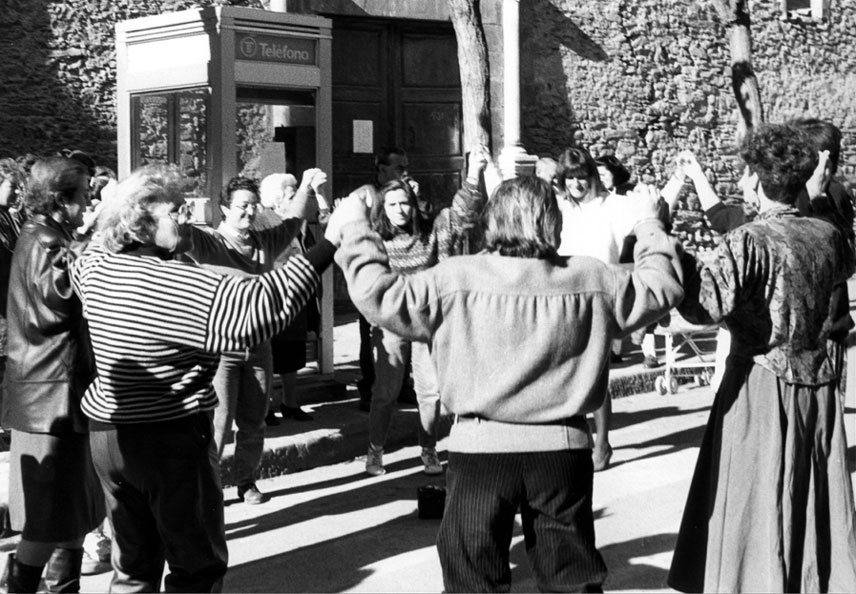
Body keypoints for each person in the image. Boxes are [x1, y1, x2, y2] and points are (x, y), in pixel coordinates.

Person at [333, 175, 683, 592]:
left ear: (492, 221)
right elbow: (662, 286)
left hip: (480, 449)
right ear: (553, 222)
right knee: (570, 578)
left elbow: (378, 294)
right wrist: (649, 225)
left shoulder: (454, 279)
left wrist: (356, 228)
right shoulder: (589, 277)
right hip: (561, 449)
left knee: (472, 578)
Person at [69, 164, 341, 592]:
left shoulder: (96, 268)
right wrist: (331, 242)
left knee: (133, 567)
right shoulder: (173, 282)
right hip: (168, 436)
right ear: (141, 219)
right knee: (196, 567)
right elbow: (259, 311)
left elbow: (83, 254)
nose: (185, 219)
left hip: (108, 436)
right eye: (174, 211)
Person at [667, 123, 856, 593]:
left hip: (760, 385)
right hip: (817, 384)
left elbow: (700, 307)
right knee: (807, 497)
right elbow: (845, 264)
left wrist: (664, 246)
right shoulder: (826, 236)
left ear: (757, 178)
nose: (743, 182)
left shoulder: (749, 240)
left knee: (757, 498)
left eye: (747, 173)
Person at [185, 170, 321, 504]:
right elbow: (177, 235)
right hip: (220, 351)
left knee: (254, 421)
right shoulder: (209, 243)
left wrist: (305, 187)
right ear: (224, 209)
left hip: (259, 346)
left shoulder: (263, 242)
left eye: (253, 206)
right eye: (242, 206)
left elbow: (291, 222)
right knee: (218, 423)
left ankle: (246, 481)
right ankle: (209, 487)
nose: (249, 212)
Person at [0, 156, 104, 593]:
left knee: (71, 515)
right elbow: (61, 300)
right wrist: (96, 245)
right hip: (51, 401)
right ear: (61, 200)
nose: (88, 202)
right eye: (82, 196)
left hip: (59, 396)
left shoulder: (49, 234)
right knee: (47, 520)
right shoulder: (43, 239)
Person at [359, 146, 489, 477]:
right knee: (385, 393)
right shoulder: (375, 238)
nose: (400, 210)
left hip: (427, 323)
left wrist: (474, 173)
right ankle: (375, 451)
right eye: (392, 205)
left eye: (404, 203)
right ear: (382, 209)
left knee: (429, 392)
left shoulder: (432, 231)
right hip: (390, 325)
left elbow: (462, 212)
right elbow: (340, 235)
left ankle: (428, 449)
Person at [555, 147, 640, 472]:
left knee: (598, 373)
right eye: (569, 178)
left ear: (591, 175)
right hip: (563, 297)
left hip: (601, 298)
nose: (576, 183)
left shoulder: (613, 206)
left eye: (581, 176)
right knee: (568, 372)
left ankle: (602, 442)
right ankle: (578, 440)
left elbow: (649, 218)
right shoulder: (561, 207)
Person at [257, 170, 330, 425]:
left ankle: (290, 403)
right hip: (274, 296)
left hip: (297, 296)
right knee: (270, 354)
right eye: (292, 194)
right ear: (276, 199)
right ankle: (264, 407)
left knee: (292, 354)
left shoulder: (296, 222)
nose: (299, 198)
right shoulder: (264, 221)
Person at [354, 147, 413, 411]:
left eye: (405, 167)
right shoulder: (367, 194)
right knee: (371, 337)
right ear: (381, 170)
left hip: (403, 278)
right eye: (399, 168)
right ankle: (370, 388)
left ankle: (402, 386)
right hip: (375, 277)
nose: (405, 172)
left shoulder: (407, 195)